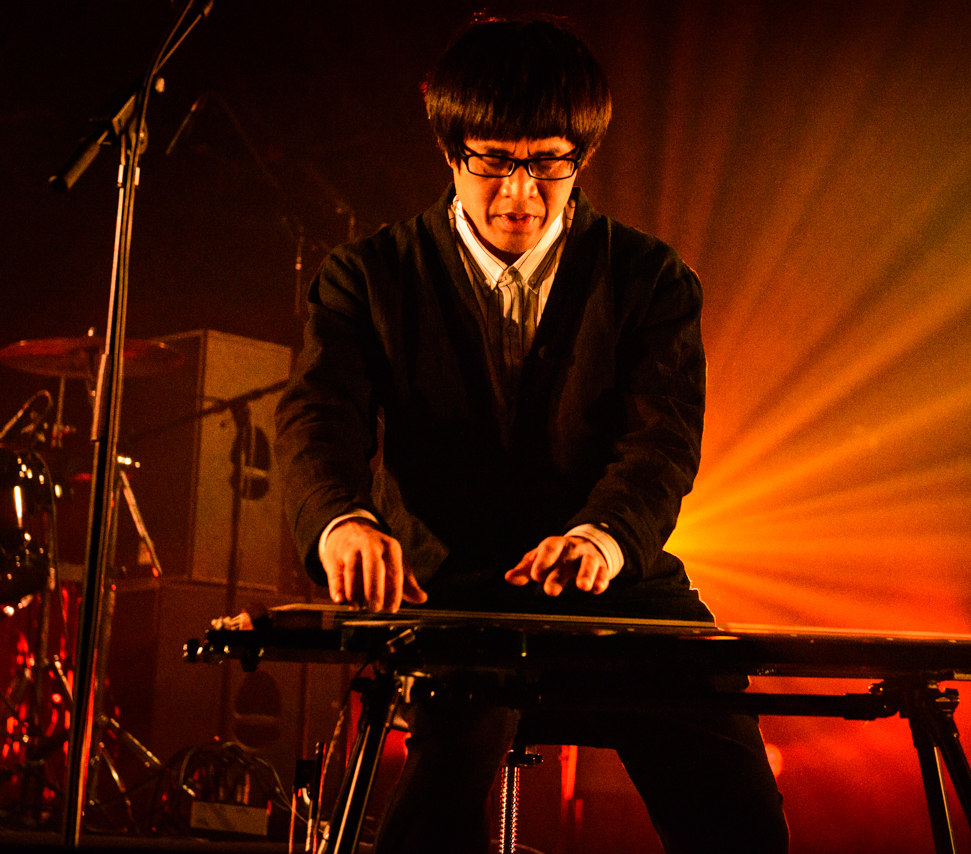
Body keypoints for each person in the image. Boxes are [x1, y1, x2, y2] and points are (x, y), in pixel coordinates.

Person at [275, 15, 788, 854]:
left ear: (583, 156)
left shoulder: (651, 278)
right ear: (449, 150)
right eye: (494, 162)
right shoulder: (365, 277)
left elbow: (660, 445)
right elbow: (317, 419)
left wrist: (602, 538)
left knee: (735, 801)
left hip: (617, 590)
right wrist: (342, 522)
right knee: (448, 772)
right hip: (449, 594)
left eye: (549, 164)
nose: (520, 194)